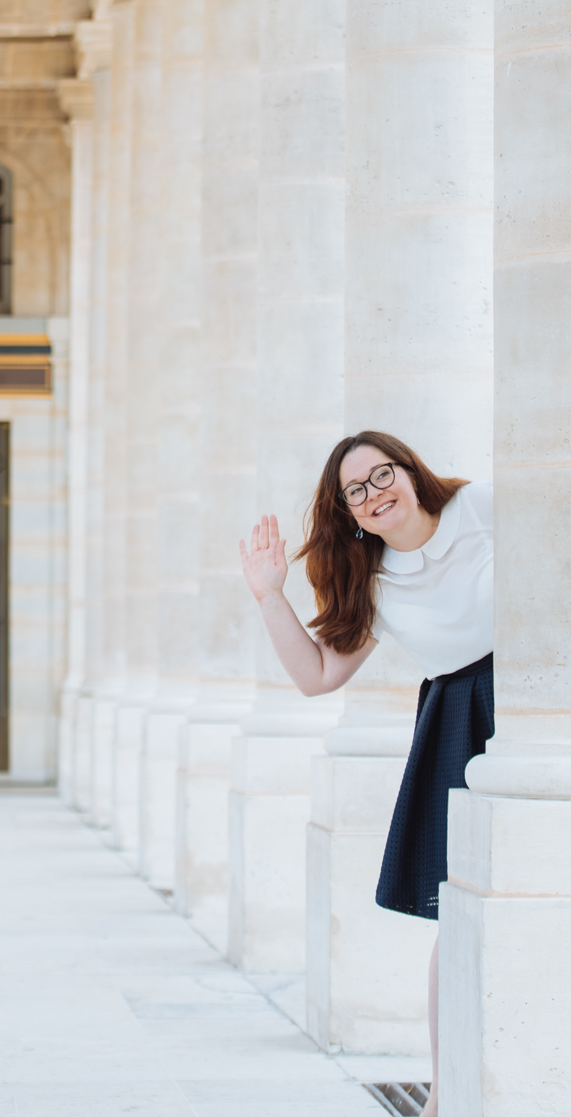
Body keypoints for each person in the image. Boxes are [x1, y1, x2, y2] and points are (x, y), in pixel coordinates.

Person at [240, 432, 493, 1117]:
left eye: (384, 474)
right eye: (358, 490)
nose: (377, 492)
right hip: (460, 718)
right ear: (349, 513)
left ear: (411, 473)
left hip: (535, 698)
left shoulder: (483, 509)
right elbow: (317, 676)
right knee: (465, 912)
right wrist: (269, 595)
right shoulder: (373, 581)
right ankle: (445, 1092)